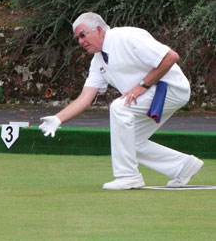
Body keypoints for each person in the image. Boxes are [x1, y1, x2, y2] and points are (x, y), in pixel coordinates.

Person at [38, 12, 204, 190]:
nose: (80, 41)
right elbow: (85, 98)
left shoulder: (127, 36)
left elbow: (171, 57)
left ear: (99, 30)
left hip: (171, 88)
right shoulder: (98, 61)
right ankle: (183, 166)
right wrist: (58, 118)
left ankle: (128, 176)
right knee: (127, 141)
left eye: (82, 35)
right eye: (77, 37)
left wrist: (142, 85)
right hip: (154, 94)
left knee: (119, 107)